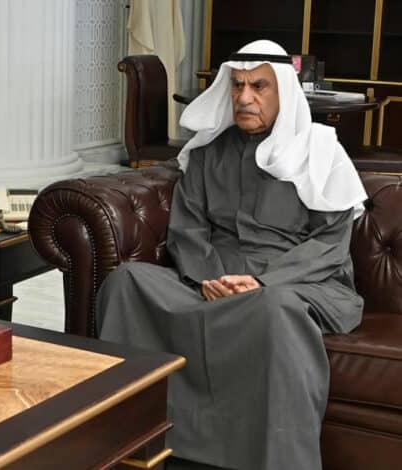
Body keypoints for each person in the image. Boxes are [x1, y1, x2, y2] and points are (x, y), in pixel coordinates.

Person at [97, 40, 367, 470]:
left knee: (274, 307)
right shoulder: (208, 153)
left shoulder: (319, 151)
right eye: (238, 85)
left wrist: (261, 282)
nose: (244, 97)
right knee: (126, 282)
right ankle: (130, 442)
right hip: (209, 281)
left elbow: (329, 245)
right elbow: (188, 229)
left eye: (259, 86)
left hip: (295, 285)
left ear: (283, 90)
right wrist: (210, 279)